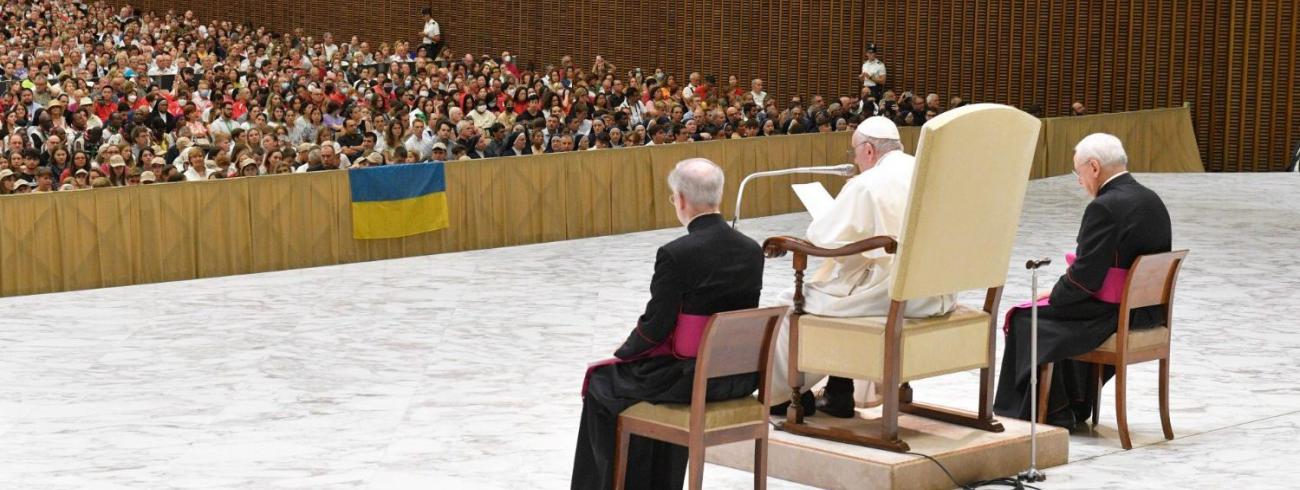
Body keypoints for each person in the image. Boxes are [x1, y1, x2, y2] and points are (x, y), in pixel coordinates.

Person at [571, 158, 764, 490]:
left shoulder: (676, 253)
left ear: (682, 200)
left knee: (602, 384)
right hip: (738, 377)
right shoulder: (751, 250)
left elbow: (656, 326)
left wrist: (624, 351)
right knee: (636, 382)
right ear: (719, 195)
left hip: (692, 378)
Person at [768, 117, 956, 418]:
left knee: (792, 302)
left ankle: (781, 395)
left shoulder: (867, 183)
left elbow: (822, 240)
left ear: (868, 150)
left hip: (889, 289)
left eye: (854, 152)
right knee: (833, 286)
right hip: (935, 289)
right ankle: (839, 392)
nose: (854, 160)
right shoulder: (927, 170)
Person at [994, 133, 1171, 429]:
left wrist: (1055, 294)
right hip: (1147, 312)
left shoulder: (1105, 207)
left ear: (1094, 166)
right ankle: (1069, 406)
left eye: (1078, 172)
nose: (1079, 180)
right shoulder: (1150, 199)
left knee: (1028, 318)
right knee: (1054, 317)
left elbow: (1086, 278)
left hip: (1116, 314)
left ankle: (1041, 413)